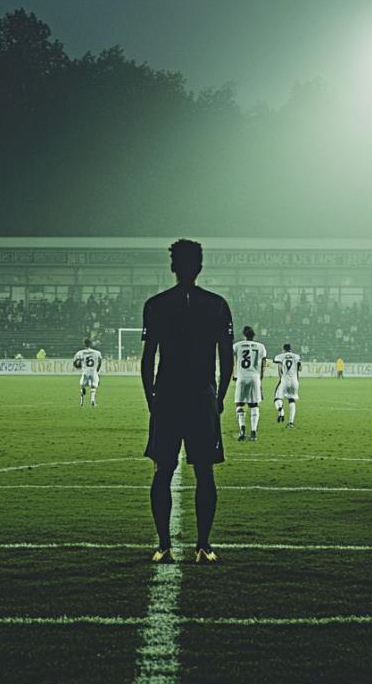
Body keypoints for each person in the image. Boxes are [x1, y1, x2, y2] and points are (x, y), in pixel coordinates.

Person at [141, 238, 232, 565]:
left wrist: (151, 399)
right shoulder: (217, 304)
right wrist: (218, 397)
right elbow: (227, 356)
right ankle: (204, 547)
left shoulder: (156, 304)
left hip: (167, 396)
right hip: (200, 397)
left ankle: (163, 546)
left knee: (163, 470)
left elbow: (147, 357)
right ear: (200, 265)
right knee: (205, 473)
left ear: (173, 266)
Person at [232, 326, 267, 441]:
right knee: (254, 405)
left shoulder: (237, 345)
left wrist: (234, 374)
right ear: (254, 335)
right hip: (254, 377)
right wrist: (260, 379)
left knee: (239, 404)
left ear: (244, 335)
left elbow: (232, 359)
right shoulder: (261, 347)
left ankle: (242, 428)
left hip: (241, 376)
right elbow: (263, 364)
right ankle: (253, 432)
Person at [272, 343, 302, 426]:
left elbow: (276, 362)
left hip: (285, 381)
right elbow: (300, 368)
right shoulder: (297, 356)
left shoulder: (280, 356)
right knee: (292, 400)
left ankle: (281, 411)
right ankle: (291, 422)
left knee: (277, 398)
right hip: (295, 382)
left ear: (283, 349)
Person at [73, 338, 103, 407]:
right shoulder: (97, 352)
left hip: (85, 372)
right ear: (91, 344)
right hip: (93, 371)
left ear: (84, 344)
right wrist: (97, 369)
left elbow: (75, 362)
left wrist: (77, 366)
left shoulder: (80, 352)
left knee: (82, 386)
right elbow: (100, 360)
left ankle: (82, 402)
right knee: (94, 386)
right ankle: (92, 400)